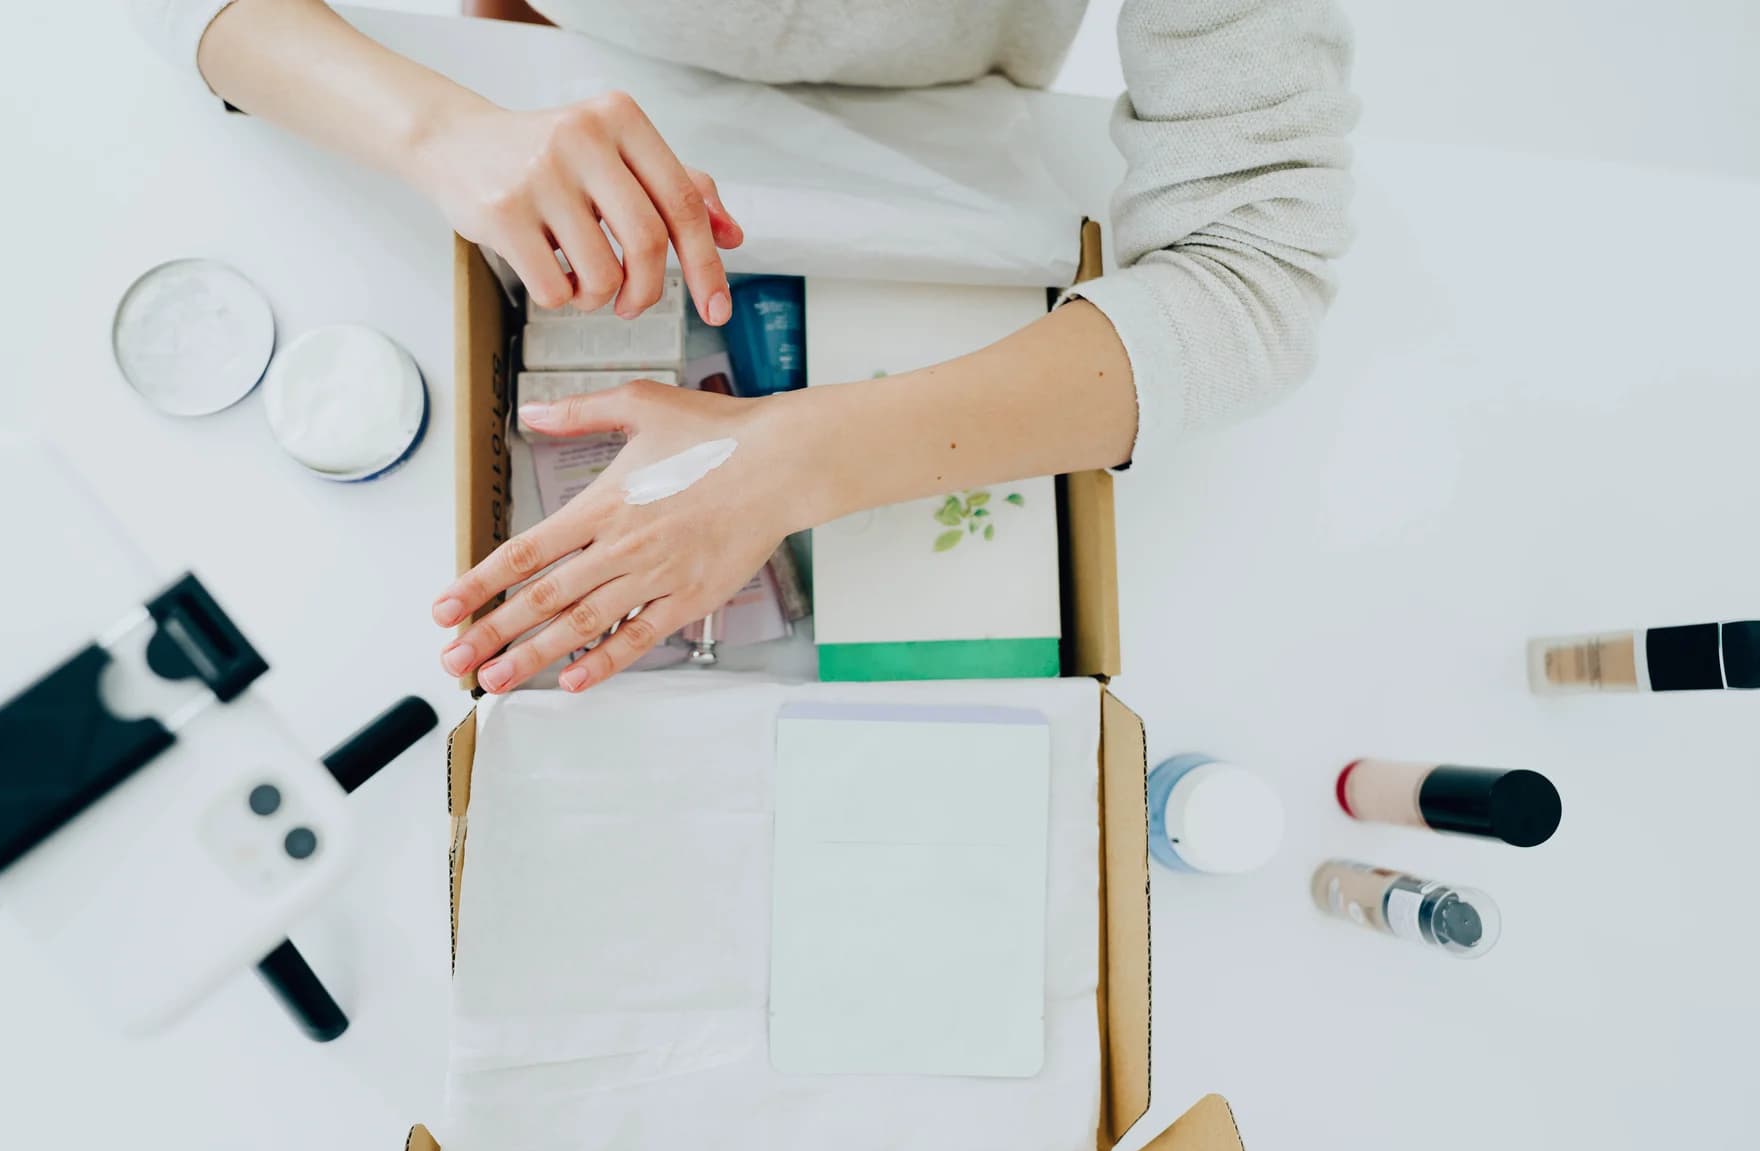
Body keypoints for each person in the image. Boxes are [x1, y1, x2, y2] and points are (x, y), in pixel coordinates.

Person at [132, 0, 1356, 694]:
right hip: (543, 75)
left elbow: (1257, 277)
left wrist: (791, 459)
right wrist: (441, 131)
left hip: (950, 148)